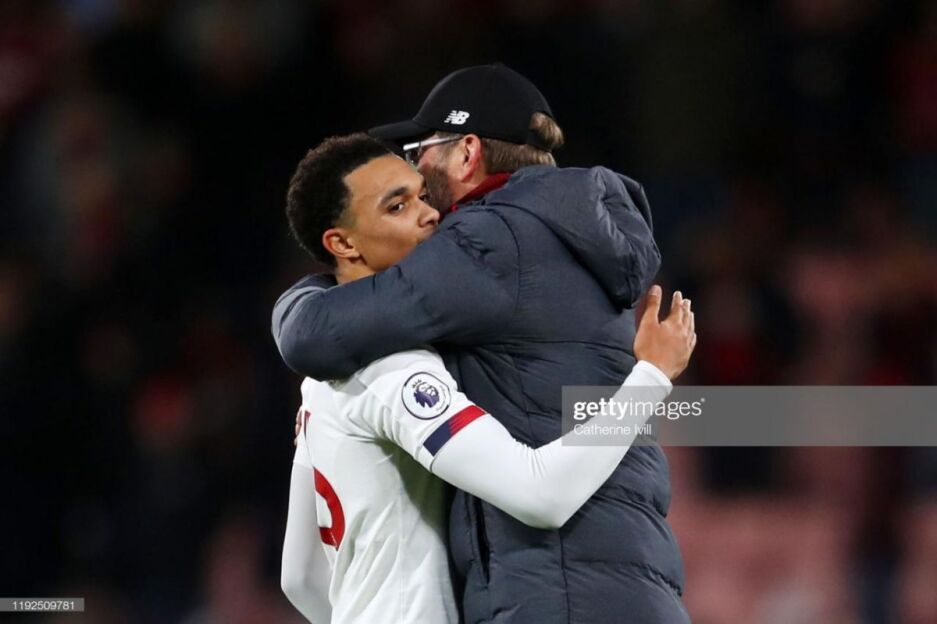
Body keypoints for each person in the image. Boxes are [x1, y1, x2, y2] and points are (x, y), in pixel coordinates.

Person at [273, 65, 690, 623]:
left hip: (560, 593)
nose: (426, 203)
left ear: (467, 153)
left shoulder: (486, 243)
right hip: (624, 579)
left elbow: (311, 335)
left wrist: (301, 297)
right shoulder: (572, 243)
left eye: (420, 156)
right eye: (398, 203)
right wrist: (649, 380)